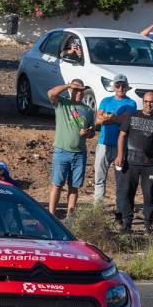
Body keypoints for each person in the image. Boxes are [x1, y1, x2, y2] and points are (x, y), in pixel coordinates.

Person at [115, 91, 153, 234]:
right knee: (128, 193)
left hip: (150, 165)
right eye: (146, 101)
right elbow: (121, 136)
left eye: (151, 102)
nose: (148, 104)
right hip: (131, 162)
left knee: (149, 195)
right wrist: (120, 155)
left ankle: (148, 225)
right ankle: (127, 224)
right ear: (143, 102)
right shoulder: (132, 116)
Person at [47, 79, 95, 216]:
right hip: (61, 151)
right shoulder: (62, 103)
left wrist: (87, 133)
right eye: (76, 90)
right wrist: (68, 85)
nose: (79, 93)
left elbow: (92, 132)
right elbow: (51, 93)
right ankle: (51, 215)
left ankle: (70, 216)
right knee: (57, 184)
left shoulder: (88, 110)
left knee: (74, 186)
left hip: (79, 153)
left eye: (81, 90)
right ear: (71, 90)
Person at [94, 74, 136, 222]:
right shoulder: (106, 101)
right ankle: (97, 212)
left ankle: (119, 212)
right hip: (103, 144)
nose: (120, 88)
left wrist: (110, 118)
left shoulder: (131, 103)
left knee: (121, 181)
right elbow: (98, 120)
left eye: (123, 85)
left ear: (127, 87)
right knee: (99, 179)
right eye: (117, 85)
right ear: (114, 87)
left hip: (121, 147)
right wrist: (114, 119)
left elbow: (126, 120)